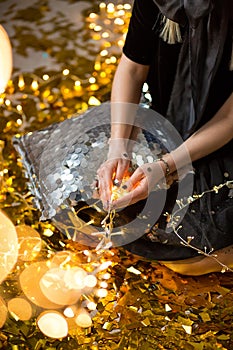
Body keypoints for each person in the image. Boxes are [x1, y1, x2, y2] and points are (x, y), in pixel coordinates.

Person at [96, 0, 233, 275]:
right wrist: (119, 148)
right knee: (86, 187)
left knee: (189, 250)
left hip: (221, 135)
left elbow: (229, 119)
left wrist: (168, 166)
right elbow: (133, 68)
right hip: (166, 114)